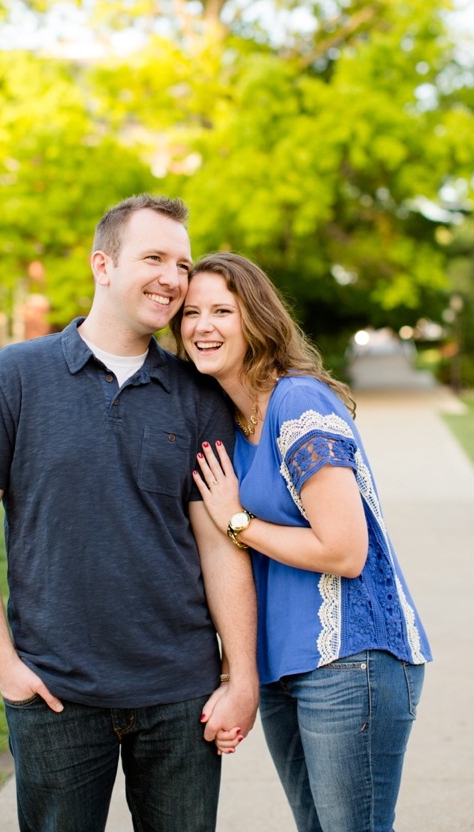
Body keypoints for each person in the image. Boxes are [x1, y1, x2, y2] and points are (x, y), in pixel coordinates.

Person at [0, 194, 256, 832]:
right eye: (154, 257)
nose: (173, 277)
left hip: (179, 695)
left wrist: (240, 674)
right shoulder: (13, 378)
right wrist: (6, 666)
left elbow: (220, 542)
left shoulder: (196, 394)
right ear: (102, 266)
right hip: (56, 694)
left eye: (183, 263)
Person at [176, 252, 431, 832]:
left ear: (257, 319)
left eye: (222, 310)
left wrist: (238, 522)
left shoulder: (298, 402)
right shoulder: (230, 423)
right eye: (191, 313)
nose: (202, 326)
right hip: (280, 666)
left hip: (352, 659)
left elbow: (346, 551)